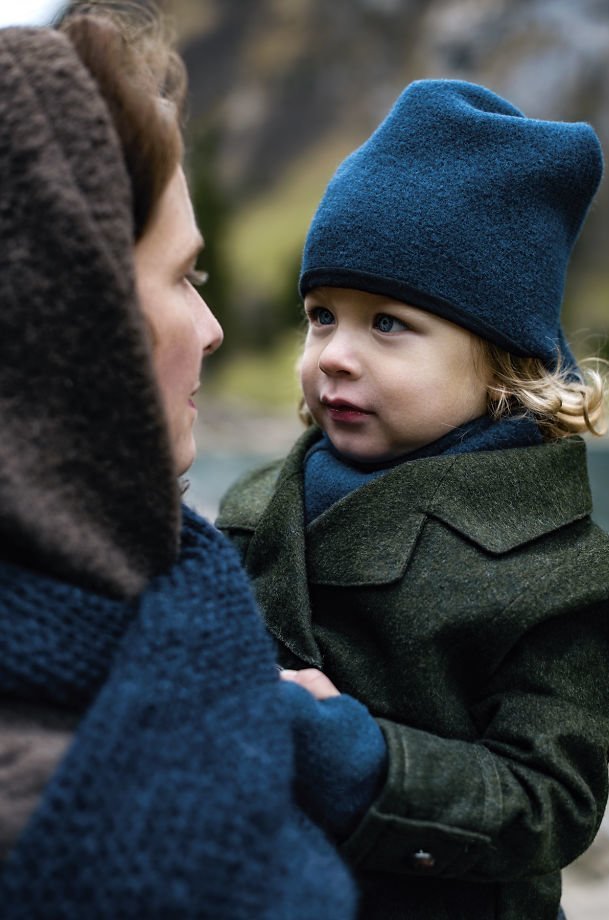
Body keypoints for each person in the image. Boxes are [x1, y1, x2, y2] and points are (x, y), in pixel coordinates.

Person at [217, 80, 609, 920]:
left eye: (388, 323)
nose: (335, 356)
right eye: (322, 316)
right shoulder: (251, 511)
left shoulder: (572, 584)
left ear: (501, 363)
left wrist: (359, 759)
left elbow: (546, 804)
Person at [0, 8, 357, 917]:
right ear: (71, 319)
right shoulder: (129, 840)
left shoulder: (139, 647)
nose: (213, 331)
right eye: (182, 278)